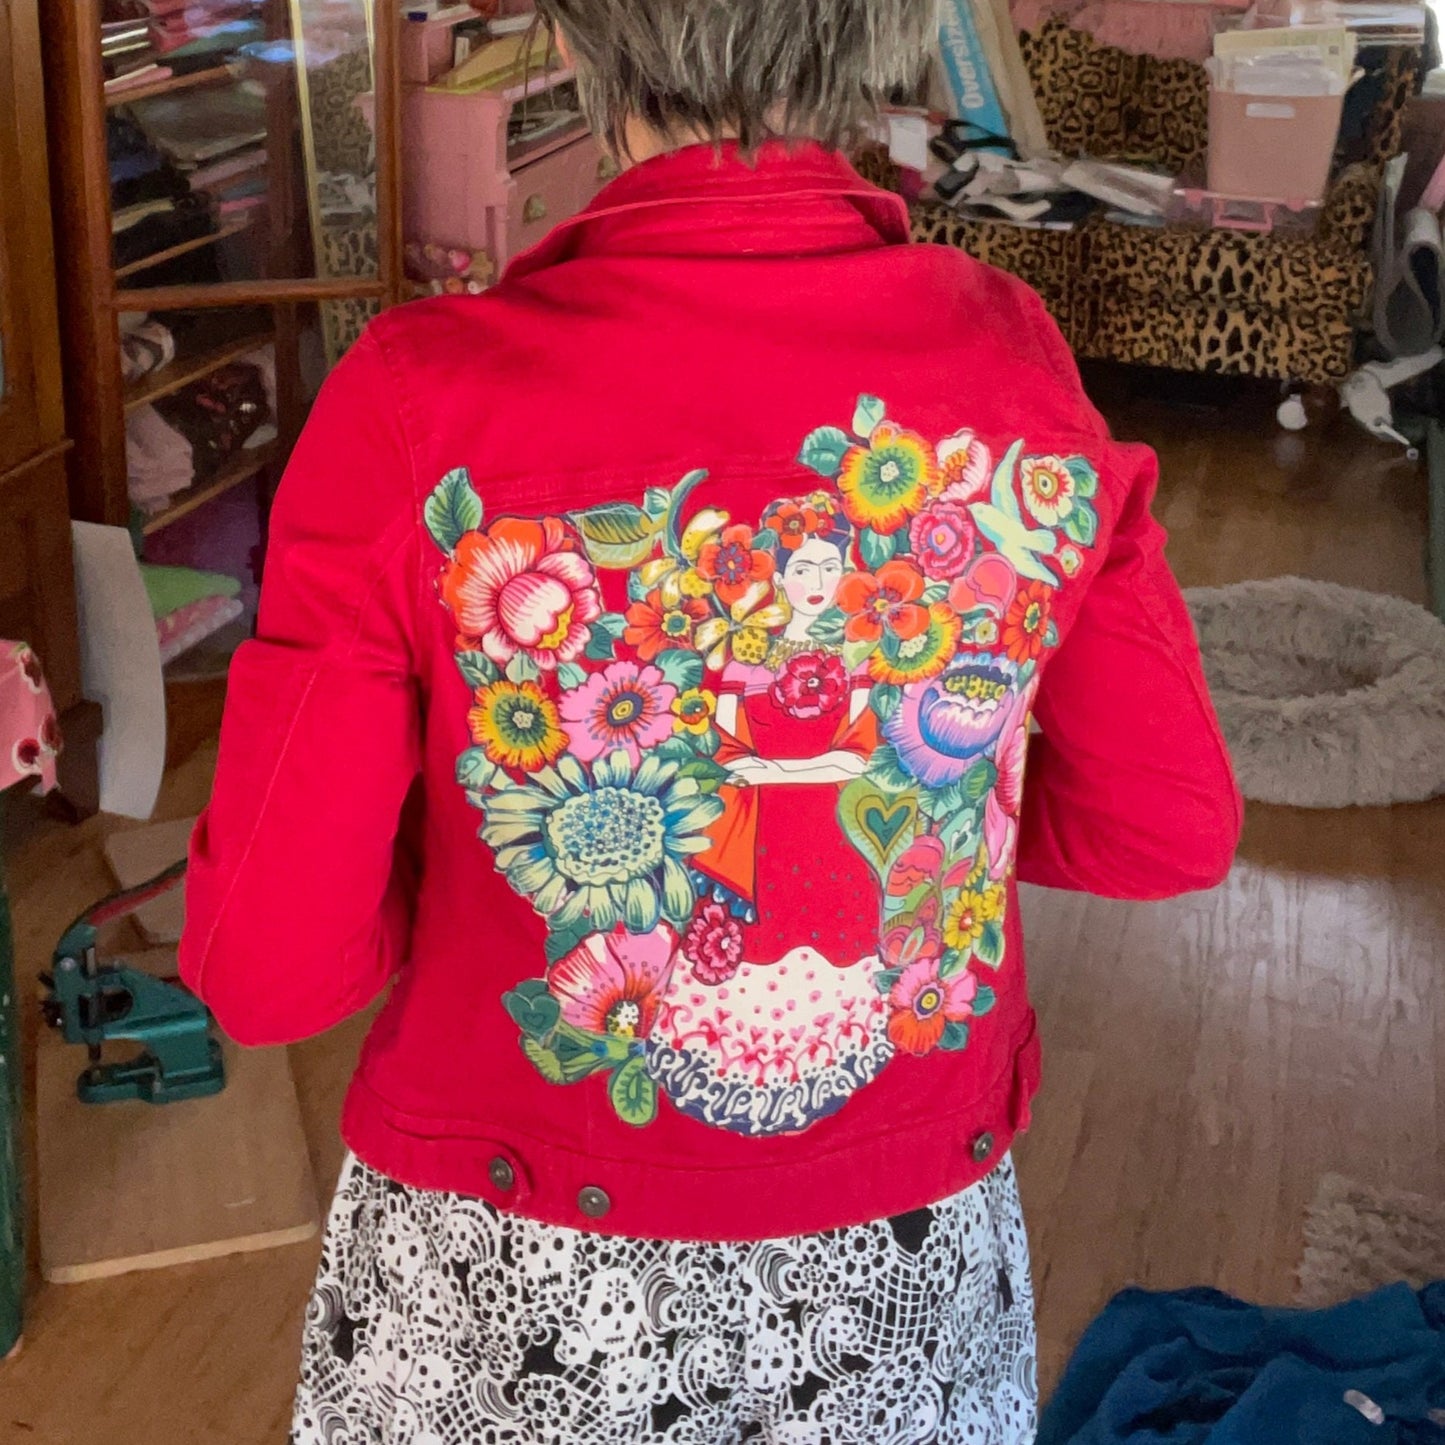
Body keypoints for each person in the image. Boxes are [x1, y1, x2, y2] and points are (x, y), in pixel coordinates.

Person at [179, 2, 1242, 1440]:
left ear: (573, 32)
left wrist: (471, 854)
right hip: (903, 1271)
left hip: (507, 1271)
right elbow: (1160, 827)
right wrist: (932, 813)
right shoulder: (1006, 356)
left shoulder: (415, 396)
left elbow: (269, 971)